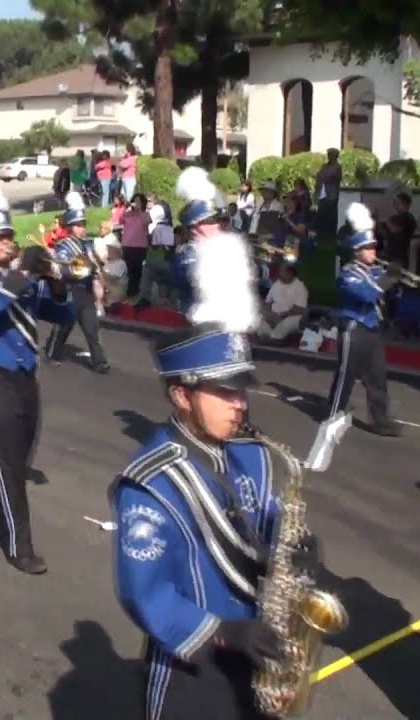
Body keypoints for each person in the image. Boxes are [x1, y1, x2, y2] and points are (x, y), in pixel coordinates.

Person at [111, 229, 331, 719]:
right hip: (193, 666)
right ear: (182, 395)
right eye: (224, 393)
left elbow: (269, 523)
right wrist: (224, 632)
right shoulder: (150, 484)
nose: (240, 405)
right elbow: (144, 593)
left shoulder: (253, 454)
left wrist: (294, 552)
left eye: (242, 391)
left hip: (260, 650)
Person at [0, 175, 75, 575]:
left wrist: (58, 286)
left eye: (9, 235)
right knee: (9, 464)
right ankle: (21, 547)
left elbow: (61, 315)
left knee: (17, 456)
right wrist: (23, 276)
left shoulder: (20, 280)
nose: (7, 241)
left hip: (24, 373)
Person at [325, 203, 401, 436]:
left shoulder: (373, 271)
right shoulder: (348, 274)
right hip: (354, 328)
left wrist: (396, 277)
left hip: (372, 328)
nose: (373, 252)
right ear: (357, 250)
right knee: (346, 374)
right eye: (368, 248)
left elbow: (387, 290)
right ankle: (332, 413)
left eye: (373, 247)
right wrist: (388, 280)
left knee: (378, 376)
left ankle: (381, 420)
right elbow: (368, 294)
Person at [45, 191, 110, 373]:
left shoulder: (87, 244)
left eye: (83, 224)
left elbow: (95, 265)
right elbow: (61, 269)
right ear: (70, 227)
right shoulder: (64, 246)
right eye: (78, 225)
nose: (82, 228)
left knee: (92, 328)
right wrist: (77, 269)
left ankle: (100, 362)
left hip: (86, 291)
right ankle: (52, 352)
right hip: (71, 291)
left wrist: (98, 276)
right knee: (63, 326)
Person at [171, 168, 226, 316]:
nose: (217, 225)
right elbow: (191, 285)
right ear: (194, 228)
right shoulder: (187, 254)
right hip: (196, 316)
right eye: (210, 221)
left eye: (217, 220)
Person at [256, 263, 308, 343]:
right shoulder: (276, 284)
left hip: (290, 317)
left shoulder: (300, 288)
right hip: (273, 316)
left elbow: (299, 310)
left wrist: (281, 315)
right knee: (258, 320)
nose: (279, 274)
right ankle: (268, 337)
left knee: (285, 325)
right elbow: (268, 302)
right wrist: (268, 314)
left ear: (289, 273)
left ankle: (275, 338)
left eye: (281, 272)